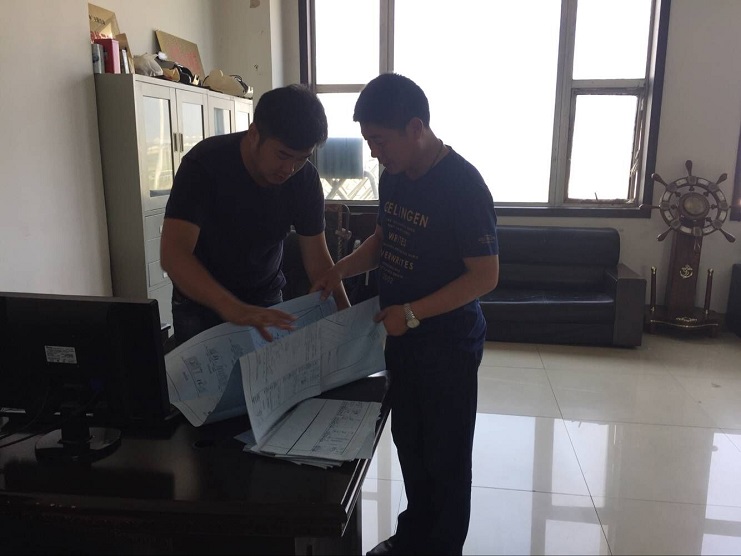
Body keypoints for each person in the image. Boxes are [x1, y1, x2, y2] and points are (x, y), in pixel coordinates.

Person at [312, 73, 499, 555]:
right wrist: (339, 270)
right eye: (368, 142)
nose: (375, 153)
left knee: (446, 456)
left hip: (448, 345)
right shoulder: (394, 175)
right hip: (401, 339)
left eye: (380, 141)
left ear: (415, 128)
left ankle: (441, 548)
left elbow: (484, 276)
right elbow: (384, 238)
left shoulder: (463, 186)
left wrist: (412, 313)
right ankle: (414, 536)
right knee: (410, 445)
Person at [161, 84, 349, 346]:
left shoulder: (304, 179)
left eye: (301, 158)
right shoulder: (205, 165)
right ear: (254, 134)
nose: (289, 169)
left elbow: (318, 260)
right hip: (200, 300)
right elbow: (173, 255)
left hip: (266, 298)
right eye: (282, 155)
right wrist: (232, 307)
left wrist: (347, 320)